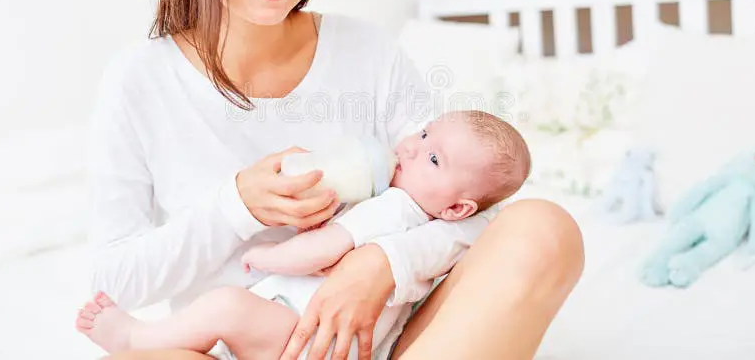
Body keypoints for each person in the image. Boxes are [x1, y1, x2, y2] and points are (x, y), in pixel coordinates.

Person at [82, 0, 585, 359]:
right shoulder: (139, 82)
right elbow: (114, 281)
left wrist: (383, 265)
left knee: (544, 228)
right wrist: (237, 208)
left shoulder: (369, 53)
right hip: (237, 346)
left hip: (387, 341)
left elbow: (470, 203)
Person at [77, 111, 531, 359]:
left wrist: (266, 257)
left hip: (306, 337)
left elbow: (323, 251)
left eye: (432, 158)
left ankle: (136, 339)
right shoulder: (424, 224)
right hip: (317, 341)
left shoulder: (398, 208)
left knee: (227, 305)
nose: (410, 146)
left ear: (457, 207)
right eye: (424, 132)